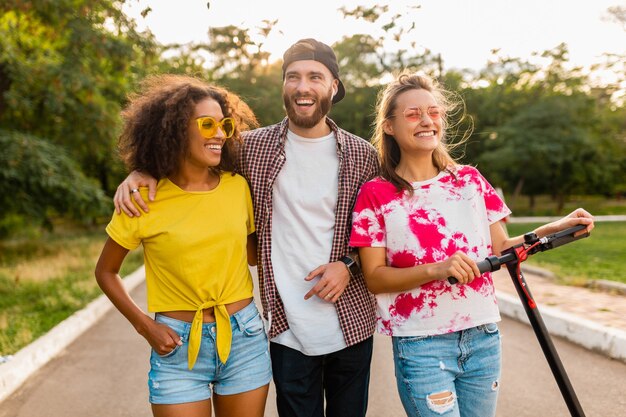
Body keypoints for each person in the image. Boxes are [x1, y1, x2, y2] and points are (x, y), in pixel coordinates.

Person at [113, 39, 379, 417]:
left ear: (333, 87)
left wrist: (348, 265)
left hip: (351, 323)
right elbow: (187, 154)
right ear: (283, 85)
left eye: (315, 77)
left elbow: (381, 233)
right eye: (293, 76)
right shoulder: (250, 148)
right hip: (286, 328)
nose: (303, 86)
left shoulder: (362, 154)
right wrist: (141, 171)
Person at [349, 72, 594, 417]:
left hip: (482, 335)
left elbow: (501, 248)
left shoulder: (469, 181)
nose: (426, 121)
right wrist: (438, 268)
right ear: (389, 126)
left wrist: (557, 226)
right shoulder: (377, 193)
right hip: (422, 342)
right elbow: (374, 277)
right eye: (412, 114)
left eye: (433, 112)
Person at [95, 74, 271, 417]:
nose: (219, 133)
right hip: (174, 345)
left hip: (244, 338)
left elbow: (254, 255)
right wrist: (145, 326)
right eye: (207, 124)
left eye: (224, 125)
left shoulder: (237, 188)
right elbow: (106, 271)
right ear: (174, 129)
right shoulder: (144, 198)